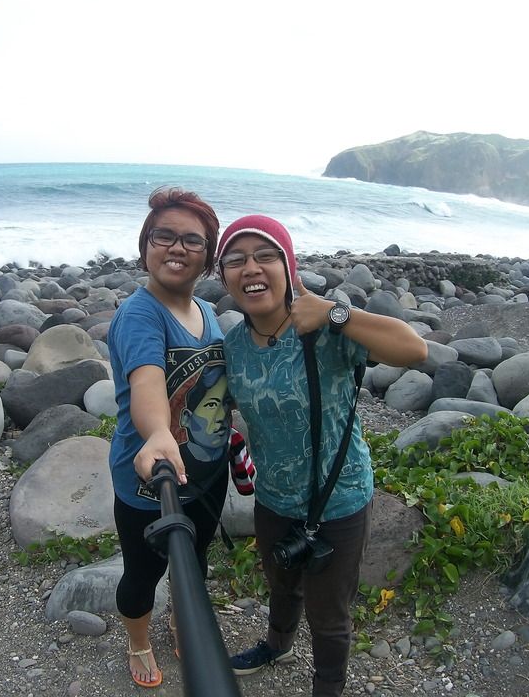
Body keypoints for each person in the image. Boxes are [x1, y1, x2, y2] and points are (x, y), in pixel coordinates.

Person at [216, 215, 428, 697]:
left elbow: (414, 350)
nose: (251, 267)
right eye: (236, 259)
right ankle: (277, 645)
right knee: (281, 584)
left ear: (288, 266)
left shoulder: (327, 328)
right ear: (224, 275)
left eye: (265, 256)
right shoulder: (233, 345)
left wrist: (338, 312)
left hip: (338, 497)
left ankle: (327, 688)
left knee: (329, 614)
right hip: (273, 497)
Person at [108, 187, 233, 688]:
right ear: (145, 246)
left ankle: (184, 618)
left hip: (206, 472)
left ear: (207, 258)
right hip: (151, 480)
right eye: (164, 236)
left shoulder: (208, 312)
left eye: (192, 241)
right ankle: (138, 641)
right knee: (142, 575)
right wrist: (158, 432)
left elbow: (214, 386)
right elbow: (146, 381)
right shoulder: (140, 315)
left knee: (195, 558)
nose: (176, 248)